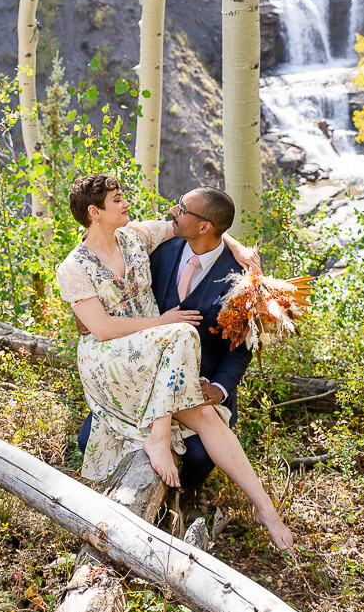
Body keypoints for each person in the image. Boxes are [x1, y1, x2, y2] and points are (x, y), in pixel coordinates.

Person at [55, 174, 293, 551]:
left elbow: (200, 226)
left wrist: (238, 246)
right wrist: (163, 322)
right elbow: (99, 329)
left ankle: (266, 509)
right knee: (183, 332)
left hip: (160, 354)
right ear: (94, 212)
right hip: (111, 358)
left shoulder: (134, 235)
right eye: (118, 200)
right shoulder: (73, 267)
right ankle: (159, 436)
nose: (126, 204)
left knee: (205, 416)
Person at [79, 185, 252, 493]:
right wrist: (88, 314)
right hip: (142, 376)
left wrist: (220, 388)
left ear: (204, 227)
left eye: (181, 209)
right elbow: (99, 256)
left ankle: (189, 496)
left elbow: (242, 348)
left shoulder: (244, 277)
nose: (172, 212)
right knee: (85, 440)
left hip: (198, 386)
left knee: (200, 455)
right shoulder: (159, 246)